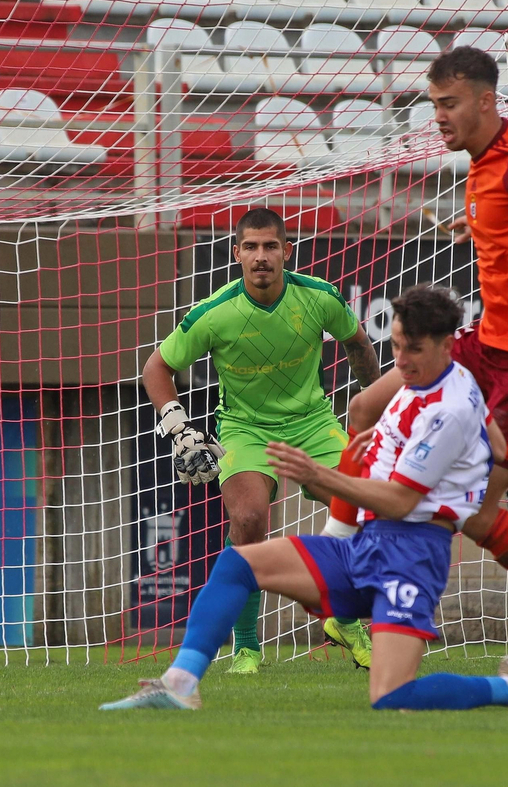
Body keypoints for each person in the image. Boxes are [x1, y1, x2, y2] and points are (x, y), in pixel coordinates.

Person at [102, 286, 508, 712]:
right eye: (395, 346)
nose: (402, 360)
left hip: (410, 559)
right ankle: (179, 685)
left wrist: (320, 476)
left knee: (392, 697)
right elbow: (492, 442)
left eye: (413, 350)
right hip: (366, 546)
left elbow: (396, 501)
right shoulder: (435, 383)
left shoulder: (449, 410)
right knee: (239, 565)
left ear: (446, 346)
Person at [342, 46, 508, 635]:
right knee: (362, 407)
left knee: (479, 515)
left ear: (486, 101)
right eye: (434, 104)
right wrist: (477, 224)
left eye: (449, 103)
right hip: (486, 342)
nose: (439, 116)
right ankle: (351, 560)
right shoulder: (480, 163)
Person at [140, 207, 383, 675]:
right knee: (249, 519)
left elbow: (358, 342)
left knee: (369, 505)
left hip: (313, 424)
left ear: (287, 251)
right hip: (246, 430)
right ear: (236, 254)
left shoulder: (319, 297)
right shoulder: (215, 313)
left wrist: (375, 410)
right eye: (250, 247)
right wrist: (179, 428)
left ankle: (346, 620)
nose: (261, 256)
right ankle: (247, 647)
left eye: (270, 245)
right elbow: (157, 368)